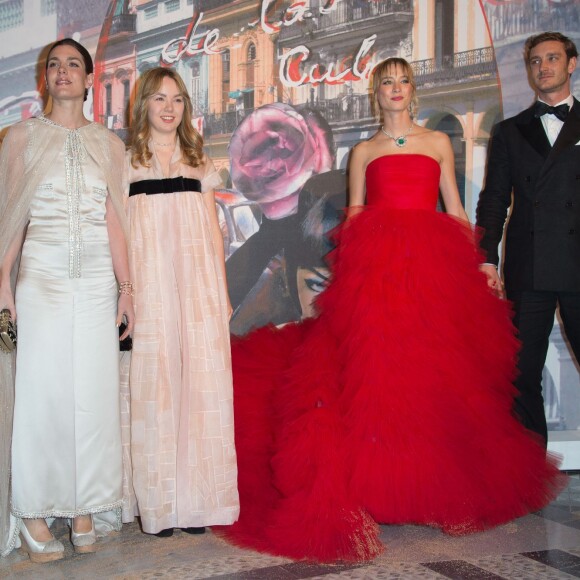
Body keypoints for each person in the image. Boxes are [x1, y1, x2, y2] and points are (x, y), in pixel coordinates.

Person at [216, 57, 566, 563]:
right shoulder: (364, 151)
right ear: (376, 93)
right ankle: (382, 488)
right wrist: (346, 280)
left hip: (433, 271)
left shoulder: (437, 142)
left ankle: (434, 489)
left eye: (403, 81)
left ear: (412, 90)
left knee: (433, 377)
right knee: (380, 378)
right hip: (377, 275)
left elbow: (455, 208)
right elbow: (355, 215)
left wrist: (479, 263)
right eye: (387, 82)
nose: (395, 89)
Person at [0, 38, 133, 562]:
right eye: (54, 65)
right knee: (43, 395)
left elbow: (115, 223)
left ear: (88, 79)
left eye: (73, 65)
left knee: (93, 398)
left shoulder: (109, 144)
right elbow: (12, 218)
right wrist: (1, 282)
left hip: (99, 280)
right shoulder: (22, 138)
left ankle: (83, 504)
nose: (63, 73)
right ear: (44, 78)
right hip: (43, 278)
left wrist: (128, 289)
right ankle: (33, 512)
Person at [124, 68, 239, 537]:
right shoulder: (127, 161)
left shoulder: (199, 161)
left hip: (197, 285)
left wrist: (223, 292)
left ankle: (196, 501)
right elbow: (121, 233)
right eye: (159, 99)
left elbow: (214, 230)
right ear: (143, 106)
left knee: (200, 384)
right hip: (150, 285)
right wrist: (125, 291)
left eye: (176, 99)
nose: (169, 108)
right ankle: (160, 502)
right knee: (157, 384)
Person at [476, 31, 580, 443]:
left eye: (553, 58)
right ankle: (530, 473)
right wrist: (487, 257)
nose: (544, 67)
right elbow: (494, 199)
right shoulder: (510, 131)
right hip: (528, 265)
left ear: (571, 64)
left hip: (578, 262)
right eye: (536, 61)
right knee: (522, 375)